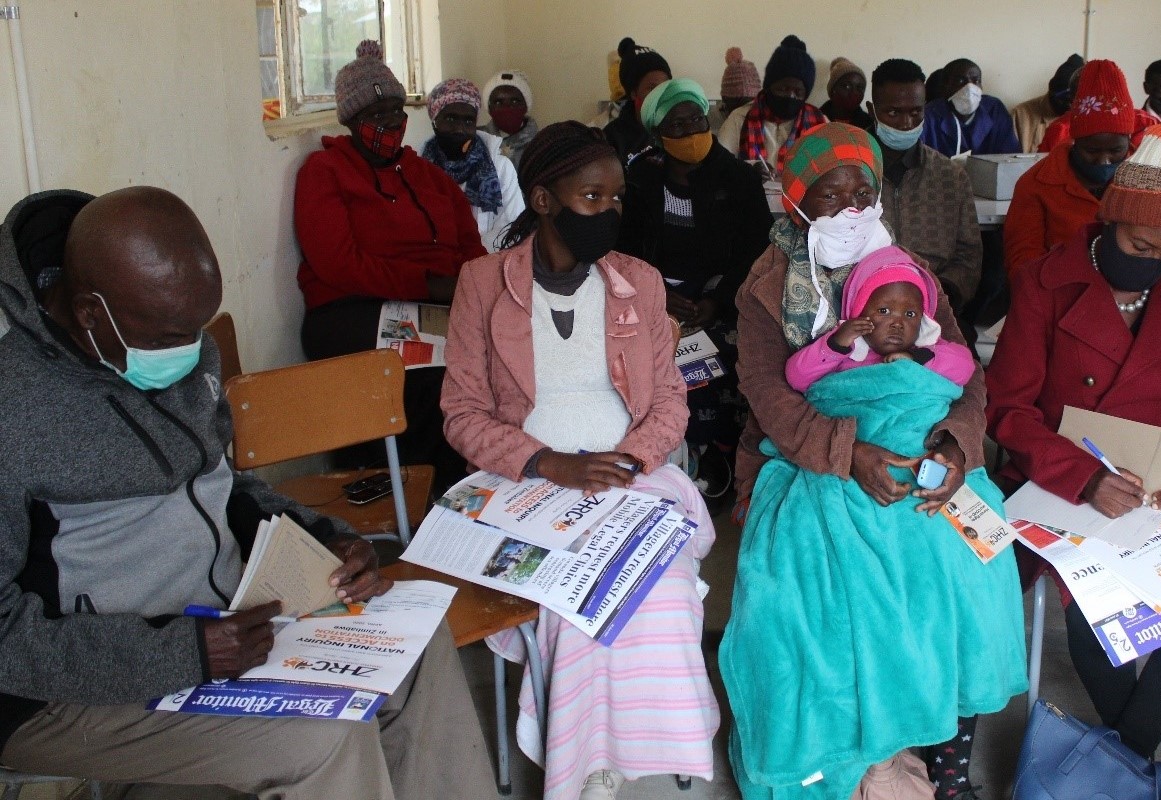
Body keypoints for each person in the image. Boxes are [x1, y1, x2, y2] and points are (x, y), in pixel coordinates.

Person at [0, 185, 493, 799]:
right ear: (91, 314)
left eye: (197, 328)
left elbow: (224, 487)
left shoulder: (175, 344)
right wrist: (182, 654)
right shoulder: (13, 409)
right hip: (74, 689)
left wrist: (325, 539)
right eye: (167, 337)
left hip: (230, 624)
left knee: (419, 648)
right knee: (321, 736)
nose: (191, 353)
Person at [440, 121, 719, 800]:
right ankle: (586, 762)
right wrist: (550, 464)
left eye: (617, 199)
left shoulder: (637, 284)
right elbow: (463, 412)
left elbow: (670, 405)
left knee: (660, 592)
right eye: (593, 198)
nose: (610, 213)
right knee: (571, 596)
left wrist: (627, 459)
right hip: (523, 484)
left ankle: (655, 743)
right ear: (542, 199)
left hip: (630, 478)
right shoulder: (482, 284)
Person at [730, 123, 1005, 800]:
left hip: (921, 450)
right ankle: (854, 751)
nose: (852, 208)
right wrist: (846, 453)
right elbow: (769, 396)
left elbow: (965, 378)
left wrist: (954, 444)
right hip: (810, 458)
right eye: (832, 194)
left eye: (864, 190)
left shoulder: (910, 272)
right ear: (795, 201)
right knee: (812, 593)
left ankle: (946, 760)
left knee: (972, 564)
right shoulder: (766, 288)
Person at [986, 116, 1161, 760]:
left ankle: (1122, 758)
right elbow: (1010, 410)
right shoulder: (1047, 282)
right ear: (1109, 219)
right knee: (1093, 612)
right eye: (1139, 243)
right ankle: (1133, 763)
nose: (1152, 263)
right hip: (1066, 479)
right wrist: (1084, 477)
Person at [294, 41, 486, 487]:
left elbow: (469, 245)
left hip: (432, 305)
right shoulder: (325, 171)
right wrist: (428, 285)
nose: (390, 123)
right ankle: (415, 494)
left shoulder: (427, 175)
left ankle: (467, 487)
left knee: (492, 357)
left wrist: (475, 287)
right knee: (434, 376)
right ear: (351, 121)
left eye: (396, 110)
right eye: (376, 115)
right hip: (350, 310)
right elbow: (338, 263)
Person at [618, 78, 774, 506]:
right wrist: (657, 296)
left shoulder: (739, 179)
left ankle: (717, 452)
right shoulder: (641, 179)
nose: (691, 133)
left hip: (722, 297)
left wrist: (716, 300)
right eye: (677, 125)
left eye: (697, 120)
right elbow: (624, 250)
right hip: (652, 296)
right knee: (646, 354)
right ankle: (671, 454)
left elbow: (755, 252)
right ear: (657, 134)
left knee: (718, 353)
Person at [867, 58, 982, 325]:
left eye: (916, 112)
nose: (906, 123)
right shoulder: (848, 172)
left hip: (936, 308)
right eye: (893, 113)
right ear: (872, 111)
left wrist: (941, 295)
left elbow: (969, 255)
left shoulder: (950, 176)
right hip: (860, 309)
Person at [1005, 60, 1137, 275]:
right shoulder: (1036, 184)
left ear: (1129, 142)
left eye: (1115, 151)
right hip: (1056, 298)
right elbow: (1023, 264)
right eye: (1092, 151)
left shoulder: (1147, 181)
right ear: (1075, 140)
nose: (1103, 161)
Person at [784, 245, 976, 391]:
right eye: (883, 311)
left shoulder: (925, 349)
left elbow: (965, 367)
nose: (897, 323)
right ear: (859, 311)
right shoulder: (847, 351)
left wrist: (915, 359)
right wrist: (835, 344)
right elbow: (796, 377)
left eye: (910, 314)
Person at [422, 77, 525, 253]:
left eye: (468, 121)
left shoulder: (499, 168)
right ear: (435, 122)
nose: (460, 129)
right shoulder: (419, 167)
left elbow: (511, 227)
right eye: (451, 119)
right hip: (434, 266)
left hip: (485, 264)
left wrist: (471, 257)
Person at [719, 35, 827, 177]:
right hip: (752, 196)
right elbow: (720, 166)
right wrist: (747, 170)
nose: (790, 97)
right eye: (783, 89)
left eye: (798, 92)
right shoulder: (740, 118)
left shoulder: (819, 122)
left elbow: (830, 171)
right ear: (768, 87)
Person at [920, 58, 1020, 158]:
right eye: (960, 80)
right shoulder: (928, 115)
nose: (969, 87)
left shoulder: (994, 109)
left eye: (976, 80)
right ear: (945, 86)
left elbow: (1011, 158)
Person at [603, 37, 672, 163]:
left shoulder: (676, 127)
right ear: (634, 93)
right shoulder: (612, 138)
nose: (660, 95)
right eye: (652, 88)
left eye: (665, 86)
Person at [1009, 54, 1084, 153]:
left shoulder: (1089, 121)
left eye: (1074, 99)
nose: (1069, 104)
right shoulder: (1020, 114)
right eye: (1063, 99)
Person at [481, 69, 539, 169]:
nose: (507, 108)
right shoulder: (478, 141)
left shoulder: (540, 144)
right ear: (489, 108)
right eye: (498, 102)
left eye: (515, 101)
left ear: (526, 105)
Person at [713, 46, 762, 130]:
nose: (725, 57)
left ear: (731, 57)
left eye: (726, 56)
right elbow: (758, 85)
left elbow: (725, 92)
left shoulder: (730, 69)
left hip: (734, 103)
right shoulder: (750, 66)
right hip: (753, 101)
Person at [820, 56, 873, 129]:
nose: (854, 93)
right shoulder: (814, 119)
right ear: (833, 90)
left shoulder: (870, 125)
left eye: (859, 88)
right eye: (846, 86)